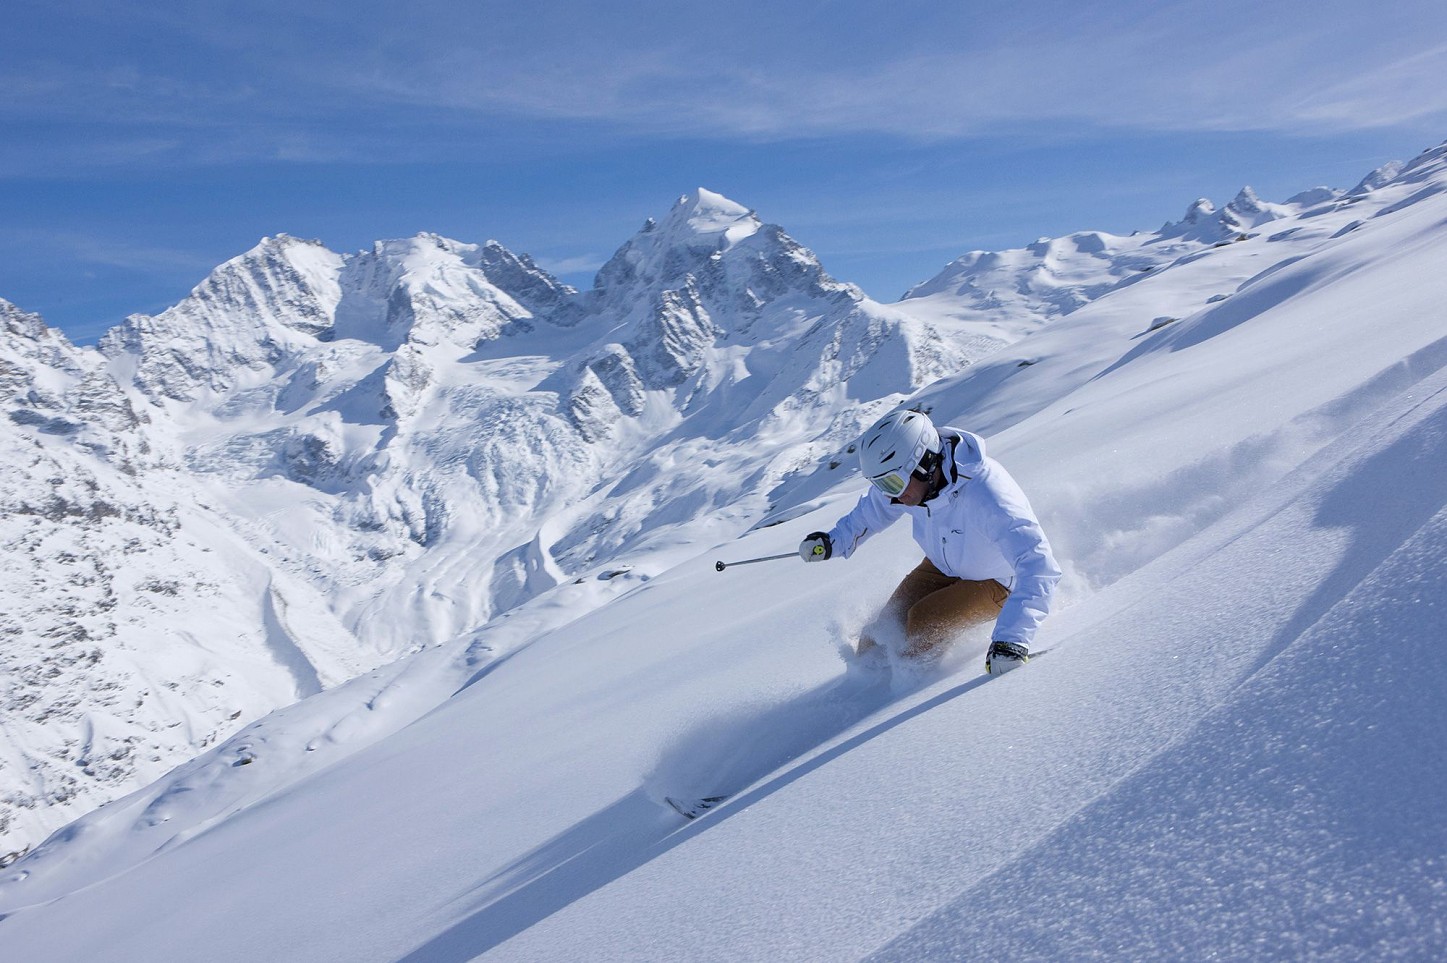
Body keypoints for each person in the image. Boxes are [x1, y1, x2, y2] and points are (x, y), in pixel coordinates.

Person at [799, 409, 1060, 674]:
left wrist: (1012, 641)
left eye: (891, 483)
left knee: (924, 624)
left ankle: (908, 692)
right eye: (880, 484)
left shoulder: (987, 494)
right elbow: (871, 511)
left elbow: (1039, 565)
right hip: (943, 565)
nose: (890, 496)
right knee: (877, 635)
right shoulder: (909, 485)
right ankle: (864, 689)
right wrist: (832, 542)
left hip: (998, 580)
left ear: (924, 463)